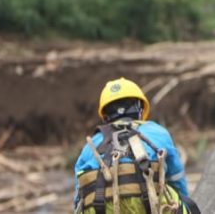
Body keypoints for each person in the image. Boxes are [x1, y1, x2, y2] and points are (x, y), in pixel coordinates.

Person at [74, 77, 197, 214]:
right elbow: (176, 178)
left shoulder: (90, 146)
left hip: (101, 209)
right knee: (189, 205)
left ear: (105, 116)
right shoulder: (157, 132)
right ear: (140, 109)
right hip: (149, 206)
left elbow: (79, 196)